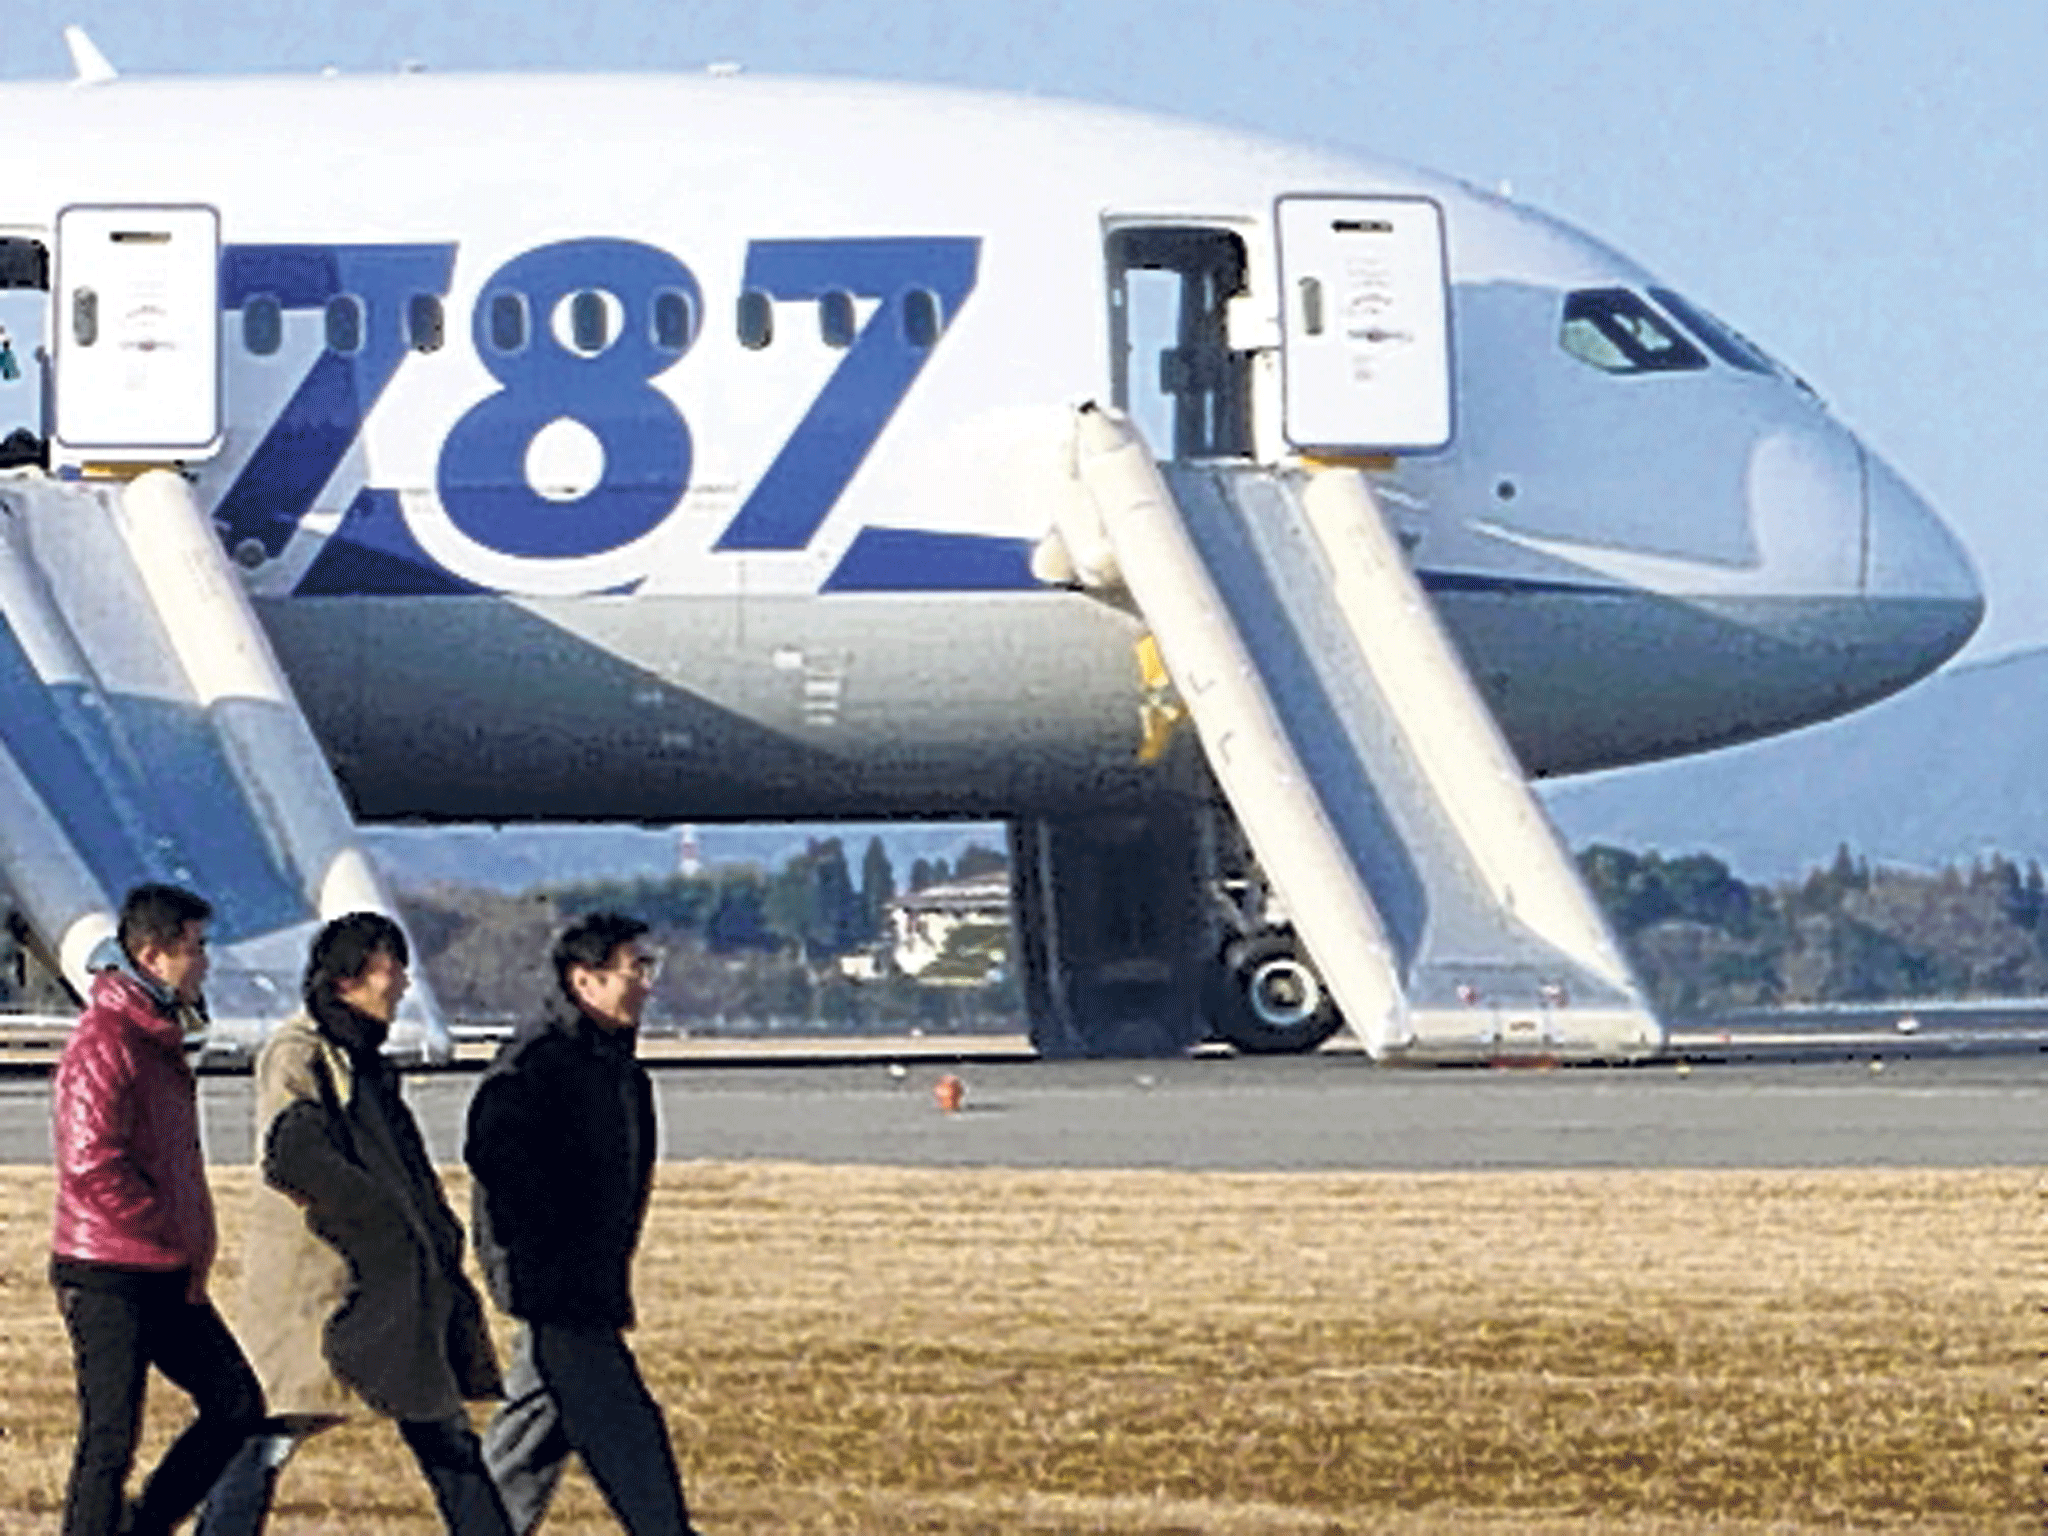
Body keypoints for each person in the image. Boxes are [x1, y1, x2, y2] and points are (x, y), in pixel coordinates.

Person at [199, 912, 511, 1536]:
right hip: (321, 1288)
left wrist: (433, 1239)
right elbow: (295, 1155)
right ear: (348, 979)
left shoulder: (367, 1060)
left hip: (392, 1282)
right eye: (386, 967)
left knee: (444, 1433)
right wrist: (385, 1224)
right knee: (274, 1431)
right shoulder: (300, 1053)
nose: (398, 981)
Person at [466, 913, 701, 1534]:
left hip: (589, 1280)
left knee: (527, 1444)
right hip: (556, 1284)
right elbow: (494, 1159)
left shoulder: (614, 1067)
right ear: (585, 980)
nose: (646, 983)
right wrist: (536, 1254)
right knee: (629, 1435)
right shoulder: (539, 1062)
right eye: (634, 969)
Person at [48, 883, 266, 1536]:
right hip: (108, 1266)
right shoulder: (106, 1040)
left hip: (162, 1265)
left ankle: (144, 1528)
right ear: (151, 955)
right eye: (194, 949)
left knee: (234, 1404)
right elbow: (91, 1163)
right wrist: (164, 1231)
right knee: (110, 1436)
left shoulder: (155, 1037)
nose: (204, 963)